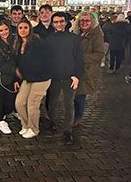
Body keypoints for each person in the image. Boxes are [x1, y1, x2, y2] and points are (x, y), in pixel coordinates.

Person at [46, 12, 84, 144]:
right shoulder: (49, 39)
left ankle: (68, 130)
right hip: (54, 77)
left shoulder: (74, 39)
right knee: (52, 103)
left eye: (61, 21)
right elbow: (47, 60)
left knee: (69, 105)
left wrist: (77, 76)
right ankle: (53, 122)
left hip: (70, 77)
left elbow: (80, 59)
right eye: (56, 22)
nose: (59, 24)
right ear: (52, 24)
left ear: (66, 22)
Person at [14, 19, 51, 139]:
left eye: (25, 27)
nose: (23, 30)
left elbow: (43, 60)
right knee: (19, 103)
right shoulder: (19, 43)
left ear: (30, 29)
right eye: (20, 28)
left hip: (41, 77)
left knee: (32, 104)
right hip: (28, 78)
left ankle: (34, 128)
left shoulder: (36, 42)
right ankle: (25, 125)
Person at [72, 11, 104, 127]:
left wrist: (81, 58)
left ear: (92, 22)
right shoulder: (76, 33)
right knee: (72, 94)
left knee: (80, 95)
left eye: (87, 20)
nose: (84, 23)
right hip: (74, 69)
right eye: (82, 20)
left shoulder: (96, 35)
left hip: (87, 70)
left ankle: (77, 117)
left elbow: (99, 54)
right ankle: (72, 115)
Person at [0, 20, 19, 134]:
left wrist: (16, 76)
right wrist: (14, 70)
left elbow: (17, 60)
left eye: (6, 29)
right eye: (1, 30)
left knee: (10, 101)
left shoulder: (14, 41)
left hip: (11, 77)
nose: (4, 32)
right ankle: (0, 120)